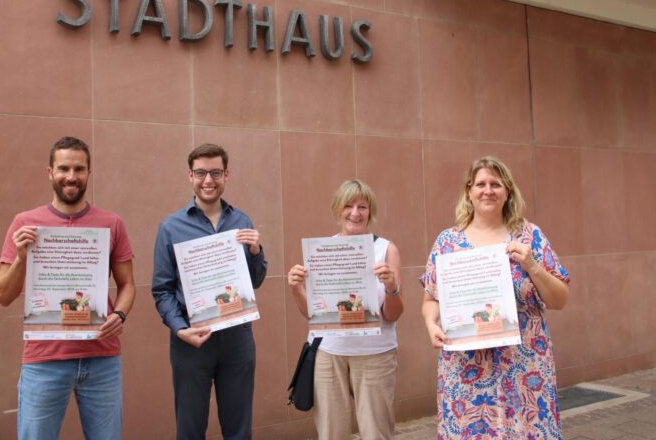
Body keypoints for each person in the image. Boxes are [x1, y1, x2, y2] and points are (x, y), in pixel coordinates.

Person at [0, 136, 136, 440]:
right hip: (44, 359)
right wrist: (21, 257)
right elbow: (3, 296)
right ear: (50, 172)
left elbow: (127, 285)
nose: (71, 176)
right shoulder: (25, 223)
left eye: (79, 169)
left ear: (89, 173)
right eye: (63, 168)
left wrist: (120, 315)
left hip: (102, 358)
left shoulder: (112, 223)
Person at [420, 156, 570, 439]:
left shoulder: (530, 236)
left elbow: (560, 300)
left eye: (495, 184)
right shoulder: (447, 242)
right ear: (469, 192)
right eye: (480, 184)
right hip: (466, 369)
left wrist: (532, 266)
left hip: (525, 368)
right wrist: (432, 325)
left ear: (507, 192)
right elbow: (430, 300)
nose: (487, 190)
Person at [152, 143, 267, 440]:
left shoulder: (242, 221)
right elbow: (162, 290)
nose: (208, 180)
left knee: (239, 429)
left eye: (215, 172)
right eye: (201, 173)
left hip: (237, 339)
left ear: (226, 175)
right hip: (192, 341)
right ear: (190, 176)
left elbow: (255, 281)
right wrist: (179, 329)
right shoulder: (170, 227)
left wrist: (255, 250)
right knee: (190, 429)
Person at [287, 179, 403, 440]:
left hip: (375, 353)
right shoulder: (321, 251)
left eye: (363, 206)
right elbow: (312, 315)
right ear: (337, 209)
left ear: (370, 212)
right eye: (348, 205)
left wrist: (392, 287)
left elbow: (392, 315)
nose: (355, 213)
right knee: (331, 433)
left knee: (377, 432)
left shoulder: (386, 249)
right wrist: (296, 289)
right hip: (330, 352)